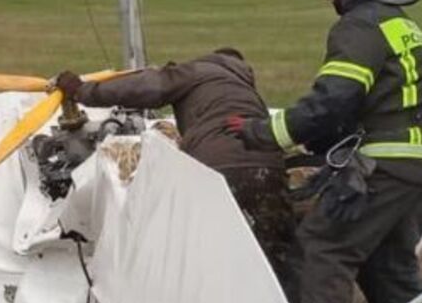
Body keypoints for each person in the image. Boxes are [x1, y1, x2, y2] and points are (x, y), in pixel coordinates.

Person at [231, 0, 422, 303]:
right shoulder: (404, 26)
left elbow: (333, 101)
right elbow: (363, 106)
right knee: (389, 262)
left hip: (384, 165)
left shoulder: (359, 26)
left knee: (322, 247)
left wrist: (262, 133)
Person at [52, 48, 293, 272]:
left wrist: (81, 91)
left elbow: (147, 88)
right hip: (270, 167)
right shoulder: (246, 91)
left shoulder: (200, 70)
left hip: (217, 168)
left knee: (209, 254)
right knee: (274, 256)